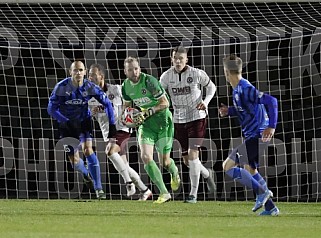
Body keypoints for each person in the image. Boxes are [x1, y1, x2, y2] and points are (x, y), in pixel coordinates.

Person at [219, 54, 279, 216]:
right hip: (253, 135)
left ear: (226, 72)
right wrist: (229, 111)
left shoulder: (245, 88)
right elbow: (246, 110)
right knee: (250, 169)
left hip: (258, 135)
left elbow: (272, 101)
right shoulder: (237, 89)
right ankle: (271, 208)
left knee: (227, 166)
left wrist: (272, 126)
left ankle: (262, 192)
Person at [47, 60, 117, 199]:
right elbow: (51, 108)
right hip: (66, 126)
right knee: (74, 161)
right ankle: (86, 174)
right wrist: (65, 121)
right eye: (75, 70)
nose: (78, 73)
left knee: (88, 149)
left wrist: (112, 125)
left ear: (85, 72)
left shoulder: (90, 87)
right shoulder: (61, 87)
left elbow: (108, 104)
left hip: (83, 122)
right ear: (70, 72)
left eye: (80, 70)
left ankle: (99, 189)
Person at [160, 46, 217, 203]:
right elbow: (159, 93)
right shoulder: (166, 77)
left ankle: (193, 194)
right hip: (178, 119)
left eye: (181, 58)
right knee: (186, 160)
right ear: (171, 59)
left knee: (193, 155)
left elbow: (212, 87)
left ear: (186, 60)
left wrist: (205, 102)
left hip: (197, 117)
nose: (178, 61)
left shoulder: (196, 73)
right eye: (175, 58)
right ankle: (207, 174)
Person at [88, 63, 152, 201]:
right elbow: (88, 116)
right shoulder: (90, 98)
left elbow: (132, 98)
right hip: (108, 134)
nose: (90, 77)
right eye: (89, 75)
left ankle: (129, 184)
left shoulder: (116, 89)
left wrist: (137, 113)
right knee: (125, 166)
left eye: (93, 74)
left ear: (101, 76)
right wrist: (90, 112)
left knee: (109, 152)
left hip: (122, 128)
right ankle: (145, 190)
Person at [121, 56, 180, 204]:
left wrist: (148, 112)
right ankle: (164, 193)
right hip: (146, 124)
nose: (134, 72)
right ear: (125, 71)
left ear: (139, 68)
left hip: (162, 122)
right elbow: (127, 108)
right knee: (146, 157)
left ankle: (174, 172)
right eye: (130, 69)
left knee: (165, 162)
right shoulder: (125, 87)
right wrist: (127, 118)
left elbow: (165, 103)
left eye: (136, 68)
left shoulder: (149, 81)